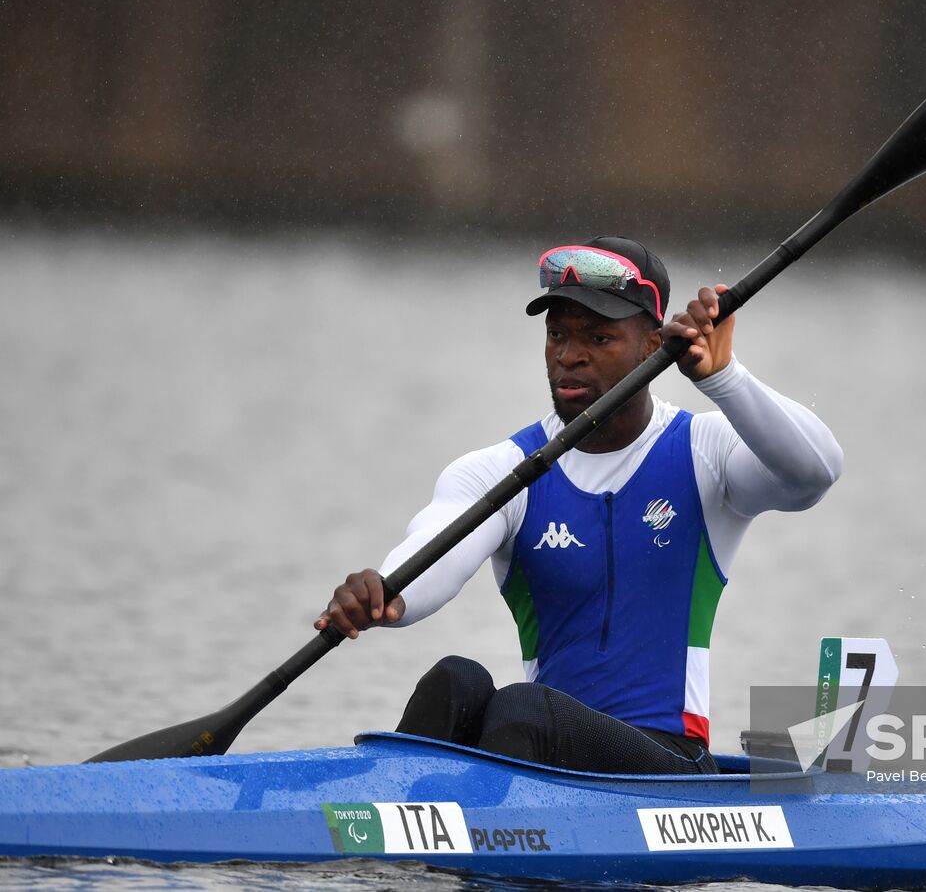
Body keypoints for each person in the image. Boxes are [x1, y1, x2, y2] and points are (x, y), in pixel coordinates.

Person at [315, 235, 842, 774]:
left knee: (525, 707)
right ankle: (381, 819)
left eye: (598, 336)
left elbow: (814, 474)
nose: (569, 355)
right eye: (557, 335)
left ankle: (477, 838)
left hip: (670, 766)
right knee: (457, 680)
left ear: (651, 345)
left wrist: (724, 380)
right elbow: (435, 550)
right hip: (544, 747)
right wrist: (386, 594)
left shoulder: (706, 452)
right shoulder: (503, 469)